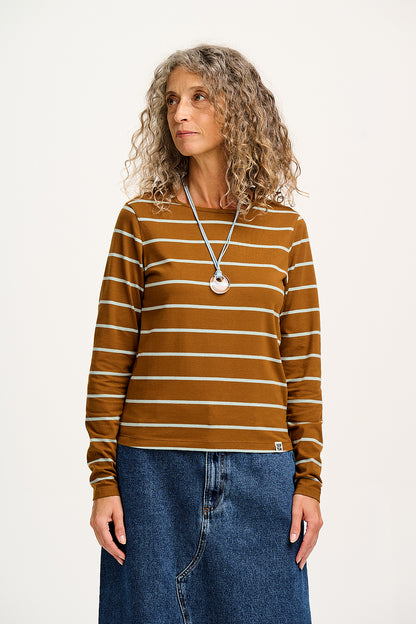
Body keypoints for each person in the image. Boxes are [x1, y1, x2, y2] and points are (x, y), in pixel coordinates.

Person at [86, 44, 324, 624]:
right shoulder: (141, 220)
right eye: (171, 100)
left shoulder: (286, 231)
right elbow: (111, 355)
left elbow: (302, 366)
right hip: (151, 473)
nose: (180, 113)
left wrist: (310, 482)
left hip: (262, 470)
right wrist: (103, 480)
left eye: (199, 97)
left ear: (238, 109)